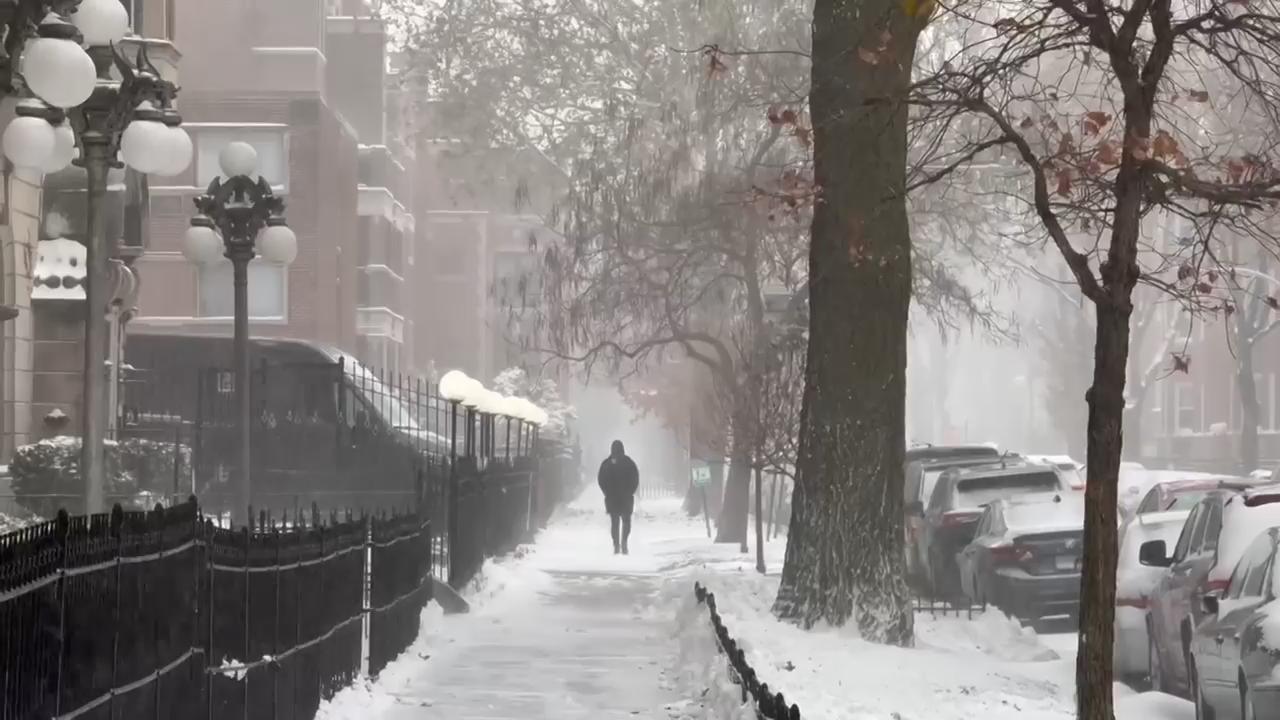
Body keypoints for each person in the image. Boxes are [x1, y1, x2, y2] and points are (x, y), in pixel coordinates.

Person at [598, 440, 639, 554]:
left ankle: (616, 544)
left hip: (612, 498)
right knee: (626, 521)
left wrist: (606, 492)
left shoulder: (606, 464)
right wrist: (630, 491)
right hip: (626, 497)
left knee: (614, 522)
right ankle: (624, 541)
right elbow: (635, 479)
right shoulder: (629, 463)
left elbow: (601, 480)